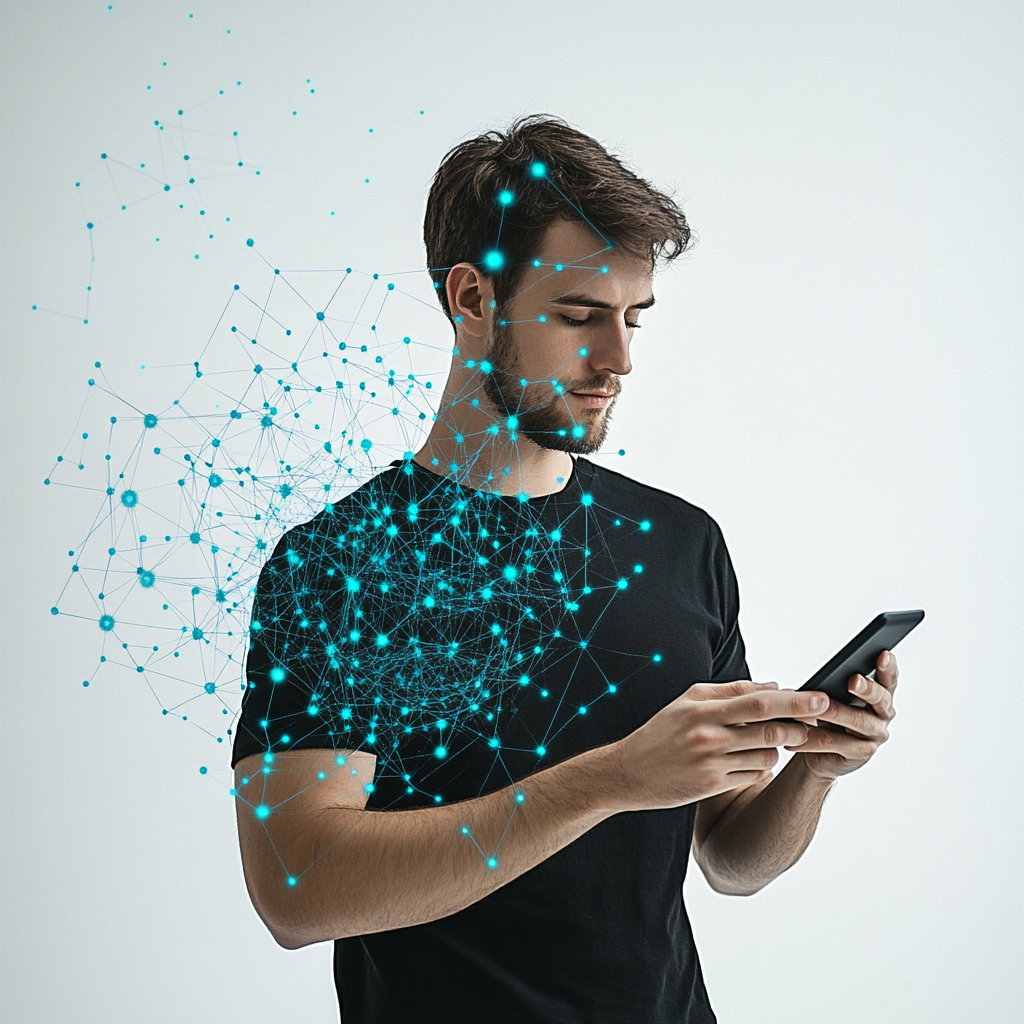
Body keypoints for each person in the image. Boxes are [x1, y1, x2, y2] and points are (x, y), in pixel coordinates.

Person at [231, 115, 899, 1024]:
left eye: (633, 318)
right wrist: (611, 778)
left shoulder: (679, 543)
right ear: (471, 300)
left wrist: (815, 768)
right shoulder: (338, 567)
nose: (619, 361)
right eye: (581, 316)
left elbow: (732, 858)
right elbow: (298, 890)